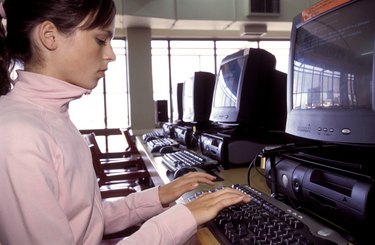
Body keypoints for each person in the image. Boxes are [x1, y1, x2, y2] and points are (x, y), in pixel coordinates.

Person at [0, 0, 251, 244]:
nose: (111, 55)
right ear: (49, 36)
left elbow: (87, 220)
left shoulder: (48, 117)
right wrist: (181, 217)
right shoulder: (18, 135)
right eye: (100, 40)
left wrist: (160, 196)